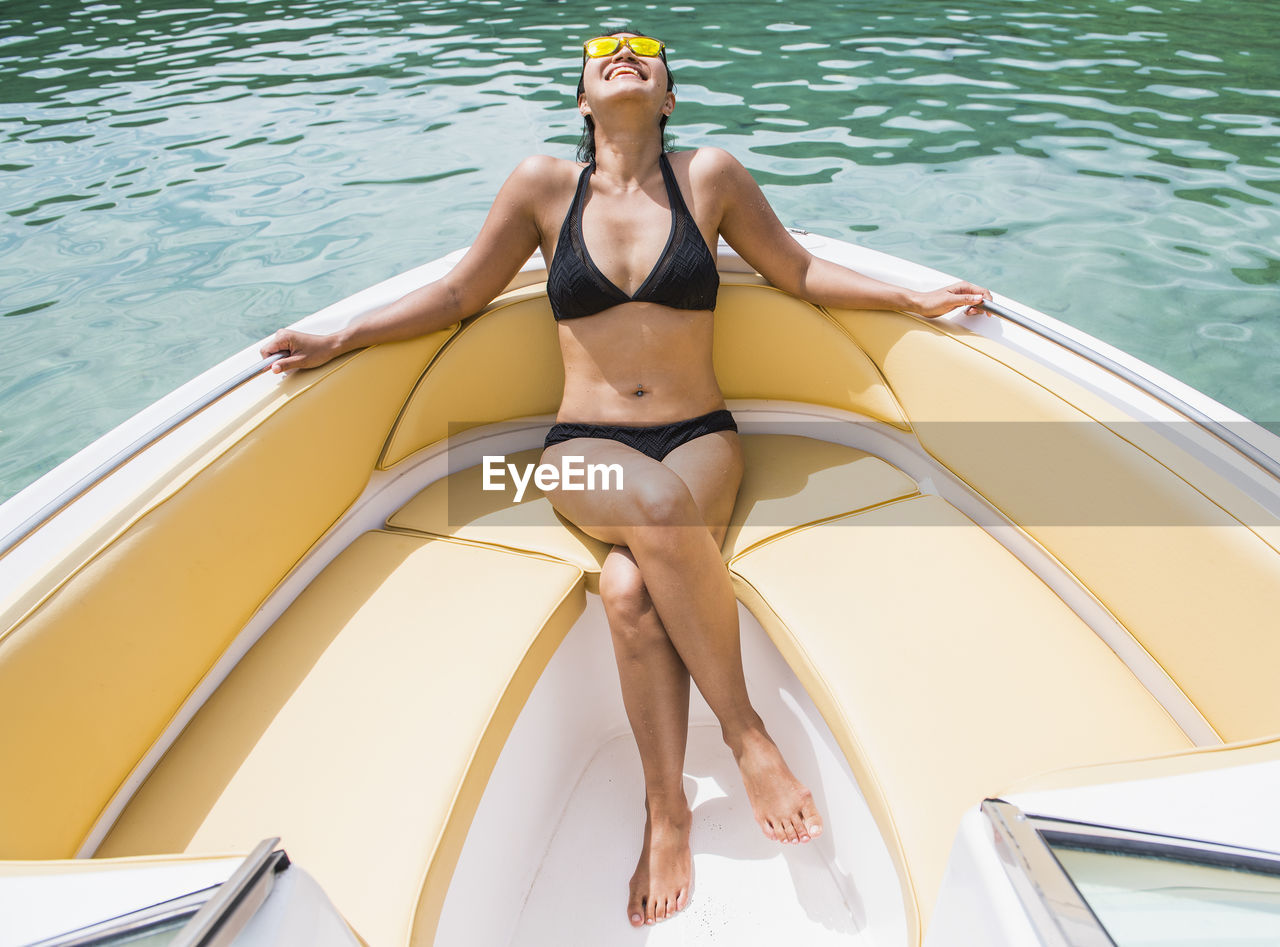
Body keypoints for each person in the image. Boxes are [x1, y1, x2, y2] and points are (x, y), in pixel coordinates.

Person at [261, 29, 991, 928]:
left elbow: (797, 269)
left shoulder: (710, 177)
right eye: (602, 48)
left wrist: (910, 297)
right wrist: (343, 336)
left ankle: (666, 811)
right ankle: (747, 734)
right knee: (649, 507)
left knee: (627, 586)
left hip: (702, 435)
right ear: (581, 98)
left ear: (669, 96)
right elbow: (458, 295)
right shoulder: (540, 187)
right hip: (581, 442)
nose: (622, 52)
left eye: (644, 47)